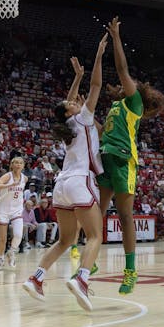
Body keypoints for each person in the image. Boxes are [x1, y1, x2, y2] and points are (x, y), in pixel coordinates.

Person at [24, 38, 107, 311]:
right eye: (71, 102)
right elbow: (95, 86)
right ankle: (82, 278)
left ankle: (37, 278)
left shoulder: (67, 124)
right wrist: (98, 54)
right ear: (71, 110)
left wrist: (76, 76)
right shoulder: (82, 118)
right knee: (95, 236)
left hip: (61, 185)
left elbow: (68, 103)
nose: (73, 101)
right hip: (81, 180)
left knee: (65, 240)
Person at [96, 17, 164, 295]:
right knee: (97, 213)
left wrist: (116, 37)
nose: (127, 81)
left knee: (125, 217)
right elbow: (103, 132)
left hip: (125, 161)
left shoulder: (134, 101)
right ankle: (88, 261)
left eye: (132, 82)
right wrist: (85, 115)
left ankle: (130, 271)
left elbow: (122, 67)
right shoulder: (116, 106)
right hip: (107, 155)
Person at [0, 157, 28, 270]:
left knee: (18, 235)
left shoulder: (25, 178)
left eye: (21, 163)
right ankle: (1, 259)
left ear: (23, 166)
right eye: (16, 162)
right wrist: (9, 185)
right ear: (12, 165)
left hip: (16, 209)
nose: (18, 164)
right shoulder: (7, 176)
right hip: (3, 209)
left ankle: (11, 252)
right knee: (3, 238)